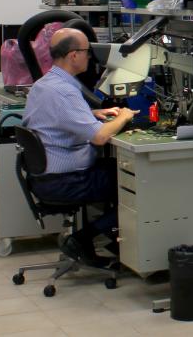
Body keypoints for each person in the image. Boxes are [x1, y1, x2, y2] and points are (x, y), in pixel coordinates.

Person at [23, 27, 137, 266]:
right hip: (65, 181)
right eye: (87, 51)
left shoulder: (45, 84)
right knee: (138, 184)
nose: (89, 57)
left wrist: (93, 113)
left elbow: (58, 116)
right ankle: (83, 239)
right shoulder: (64, 91)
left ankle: (111, 238)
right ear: (73, 55)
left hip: (45, 177)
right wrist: (123, 116)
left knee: (115, 171)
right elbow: (98, 137)